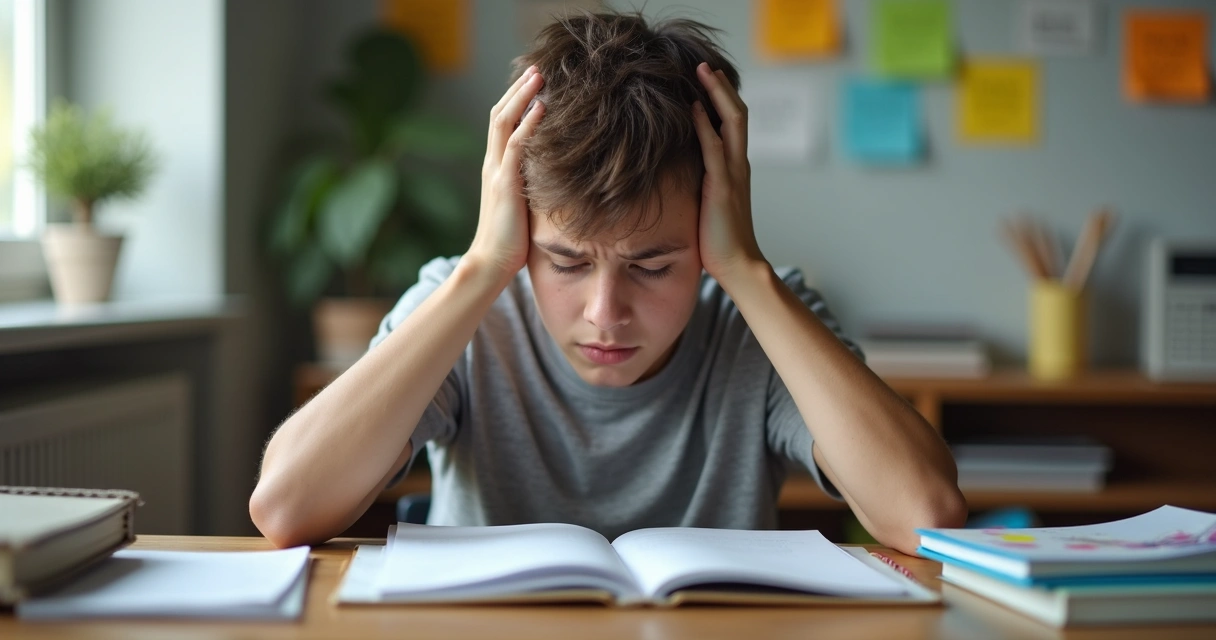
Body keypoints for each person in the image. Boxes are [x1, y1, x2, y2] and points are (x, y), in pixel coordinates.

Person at [250, 11, 967, 555]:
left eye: (653, 266)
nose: (605, 313)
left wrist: (746, 272)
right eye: (565, 262)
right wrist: (480, 269)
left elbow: (925, 514)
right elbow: (285, 507)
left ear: (711, 228)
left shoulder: (761, 316)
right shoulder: (465, 304)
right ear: (521, 227)